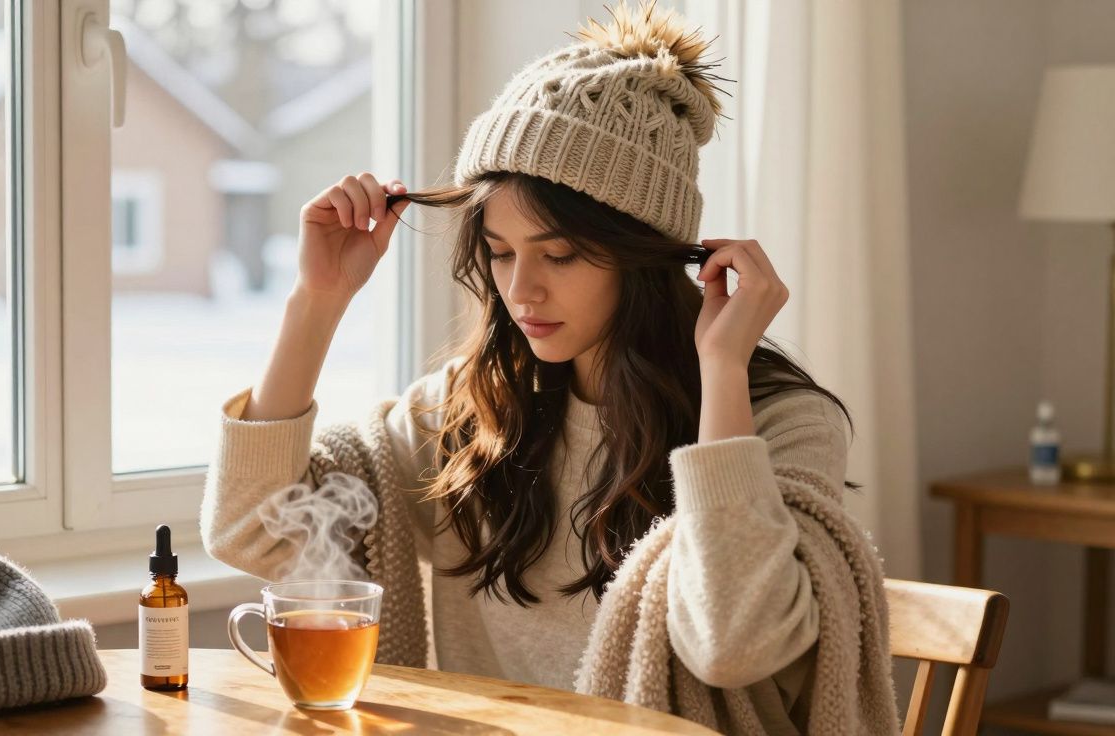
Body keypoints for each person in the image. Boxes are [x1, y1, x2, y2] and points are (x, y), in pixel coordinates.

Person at [201, 1, 900, 733]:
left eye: (559, 254)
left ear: (643, 254)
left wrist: (721, 371)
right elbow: (249, 530)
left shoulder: (786, 422)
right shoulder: (470, 413)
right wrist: (317, 302)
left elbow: (734, 645)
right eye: (500, 253)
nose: (520, 290)